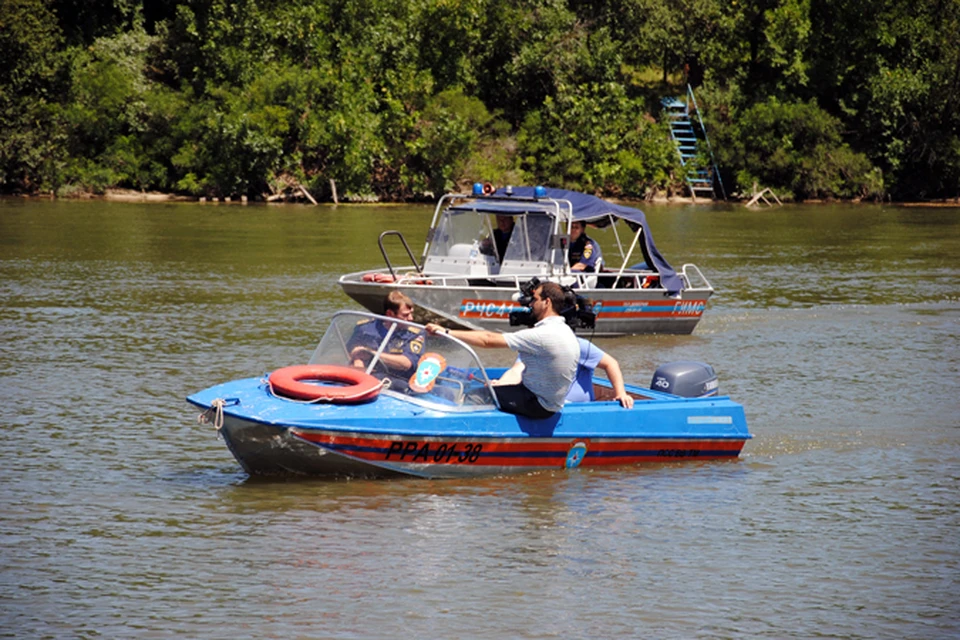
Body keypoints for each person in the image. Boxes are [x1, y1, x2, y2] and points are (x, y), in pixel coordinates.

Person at [425, 281, 578, 419]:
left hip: (537, 404)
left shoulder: (542, 335)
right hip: (549, 402)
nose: (531, 304)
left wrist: (446, 332)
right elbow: (522, 368)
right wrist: (502, 384)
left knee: (476, 396)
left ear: (547, 302)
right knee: (495, 390)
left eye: (535, 299)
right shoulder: (566, 331)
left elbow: (488, 340)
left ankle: (467, 438)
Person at [498, 338, 634, 408]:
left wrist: (620, 394)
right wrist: (501, 385)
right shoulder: (533, 346)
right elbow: (517, 370)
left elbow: (611, 363)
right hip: (547, 405)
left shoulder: (578, 345)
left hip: (580, 409)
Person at [347, 291, 425, 379]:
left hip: (399, 381)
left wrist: (371, 353)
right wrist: (357, 361)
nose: (411, 318)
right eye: (405, 315)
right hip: (369, 377)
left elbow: (406, 363)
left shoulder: (414, 334)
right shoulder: (365, 328)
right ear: (390, 314)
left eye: (411, 313)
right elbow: (352, 350)